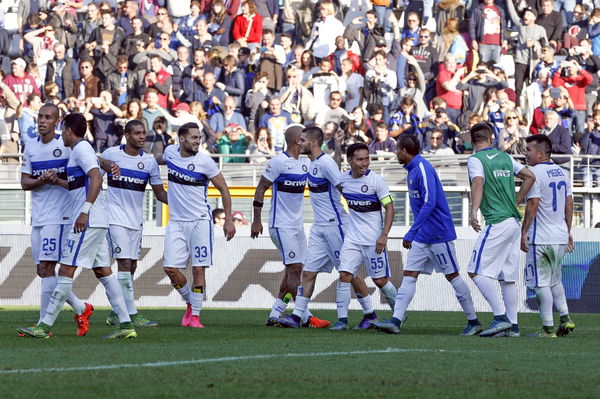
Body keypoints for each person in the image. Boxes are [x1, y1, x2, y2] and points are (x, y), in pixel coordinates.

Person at [18, 113, 136, 339]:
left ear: (69, 131)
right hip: (96, 220)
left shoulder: (80, 149)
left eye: (63, 130)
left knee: (65, 270)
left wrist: (85, 211)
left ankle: (44, 326)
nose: (61, 134)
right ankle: (126, 324)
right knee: (103, 271)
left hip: (88, 221)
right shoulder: (80, 151)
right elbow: (79, 182)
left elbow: (96, 177)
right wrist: (57, 181)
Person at [371, 134, 481, 335]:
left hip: (438, 234)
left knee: (453, 276)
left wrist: (411, 231)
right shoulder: (413, 170)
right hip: (422, 236)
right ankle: (396, 321)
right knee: (409, 277)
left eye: (397, 151)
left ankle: (473, 321)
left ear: (404, 151)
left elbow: (430, 203)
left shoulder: (422, 169)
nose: (396, 154)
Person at [272, 126, 377, 330]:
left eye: (302, 140)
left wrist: (361, 219)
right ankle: (296, 316)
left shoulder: (325, 163)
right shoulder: (313, 163)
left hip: (335, 226)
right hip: (319, 228)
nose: (299, 143)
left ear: (312, 142)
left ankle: (370, 314)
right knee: (308, 272)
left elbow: (343, 188)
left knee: (349, 273)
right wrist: (337, 146)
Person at [19, 104, 93, 337]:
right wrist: (42, 179)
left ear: (57, 121)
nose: (42, 121)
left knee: (47, 267)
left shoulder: (67, 145)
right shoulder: (30, 147)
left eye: (48, 117)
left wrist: (104, 164)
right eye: (40, 116)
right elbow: (24, 183)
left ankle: (43, 326)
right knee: (43, 271)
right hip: (38, 216)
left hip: (60, 215)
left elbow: (82, 170)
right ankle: (82, 307)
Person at [157, 122, 236, 328]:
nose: (197, 141)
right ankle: (192, 301)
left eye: (199, 138)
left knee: (198, 269)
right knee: (170, 268)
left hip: (200, 221)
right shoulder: (170, 152)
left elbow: (224, 189)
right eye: (193, 137)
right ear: (181, 139)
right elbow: (158, 159)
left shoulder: (205, 162)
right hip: (176, 221)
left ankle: (195, 316)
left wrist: (228, 219)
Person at [467, 122, 536, 338]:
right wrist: (516, 199)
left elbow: (478, 182)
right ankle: (513, 327)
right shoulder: (506, 158)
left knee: (475, 271)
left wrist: (473, 210)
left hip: (497, 222)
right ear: (491, 137)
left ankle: (500, 318)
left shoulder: (475, 159)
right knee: (507, 278)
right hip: (513, 223)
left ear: (472, 140)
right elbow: (530, 176)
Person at [102, 121, 169, 328]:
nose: (142, 137)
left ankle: (116, 312)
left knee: (131, 265)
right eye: (137, 133)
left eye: (143, 134)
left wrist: (183, 204)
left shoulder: (149, 162)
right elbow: (93, 173)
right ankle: (130, 314)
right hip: (114, 218)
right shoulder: (111, 154)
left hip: (135, 221)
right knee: (123, 263)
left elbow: (159, 193)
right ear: (127, 135)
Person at [251, 124, 318, 326]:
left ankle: (276, 312)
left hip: (297, 225)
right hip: (280, 225)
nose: (306, 139)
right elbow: (261, 188)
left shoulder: (305, 163)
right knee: (295, 269)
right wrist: (256, 220)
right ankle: (305, 316)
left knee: (293, 271)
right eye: (304, 136)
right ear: (298, 140)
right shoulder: (278, 162)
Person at [330, 142, 397, 330]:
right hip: (352, 239)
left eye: (367, 158)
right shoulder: (344, 181)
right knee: (345, 275)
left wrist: (384, 235)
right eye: (360, 159)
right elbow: (334, 173)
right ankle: (342, 320)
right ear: (350, 160)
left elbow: (390, 208)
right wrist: (337, 145)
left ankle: (399, 314)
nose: (365, 163)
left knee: (380, 281)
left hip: (374, 240)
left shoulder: (376, 181)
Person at [521, 134, 575, 337]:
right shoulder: (562, 172)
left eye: (528, 150)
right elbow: (569, 203)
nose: (526, 153)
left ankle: (548, 329)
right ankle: (565, 318)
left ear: (540, 153)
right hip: (559, 234)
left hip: (541, 237)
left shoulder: (534, 174)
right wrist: (568, 231)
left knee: (540, 283)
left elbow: (533, 204)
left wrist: (524, 231)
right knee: (555, 280)